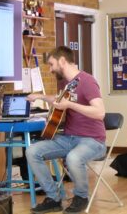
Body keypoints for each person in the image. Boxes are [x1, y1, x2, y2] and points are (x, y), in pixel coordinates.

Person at [26, 46, 106, 214]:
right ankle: (53, 198)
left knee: (74, 158)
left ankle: (81, 197)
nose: (50, 69)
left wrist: (69, 105)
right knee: (32, 151)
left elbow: (100, 113)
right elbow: (59, 100)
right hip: (69, 138)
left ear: (62, 61)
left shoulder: (87, 81)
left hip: (93, 140)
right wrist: (39, 96)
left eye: (51, 64)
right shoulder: (65, 83)